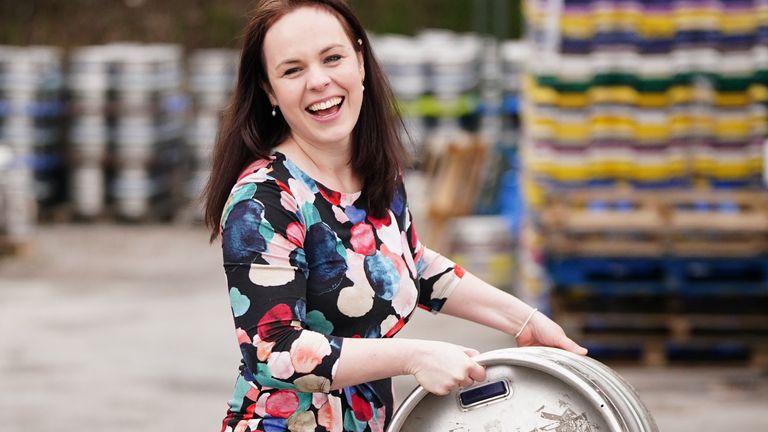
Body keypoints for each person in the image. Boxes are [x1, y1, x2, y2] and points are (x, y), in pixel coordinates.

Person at [202, 1, 587, 431]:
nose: (319, 81)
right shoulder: (263, 200)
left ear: (361, 61)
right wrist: (415, 356)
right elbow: (274, 352)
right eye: (292, 70)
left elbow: (411, 262)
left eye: (333, 58)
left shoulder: (372, 171)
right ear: (269, 90)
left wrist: (526, 320)